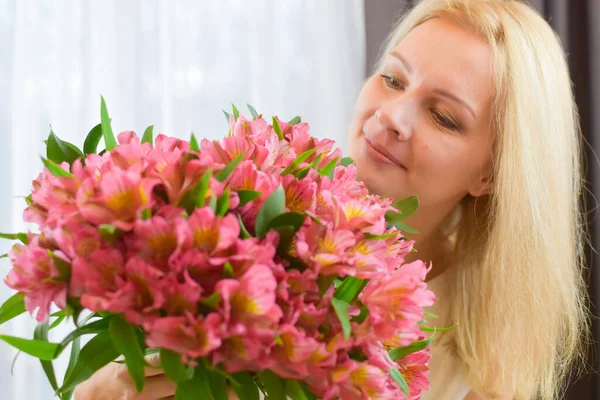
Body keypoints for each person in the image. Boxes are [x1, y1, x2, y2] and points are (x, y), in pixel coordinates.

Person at [74, 0, 590, 399]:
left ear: (492, 173)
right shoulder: (237, 214)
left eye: (444, 117)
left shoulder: (483, 344)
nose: (391, 116)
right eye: (392, 78)